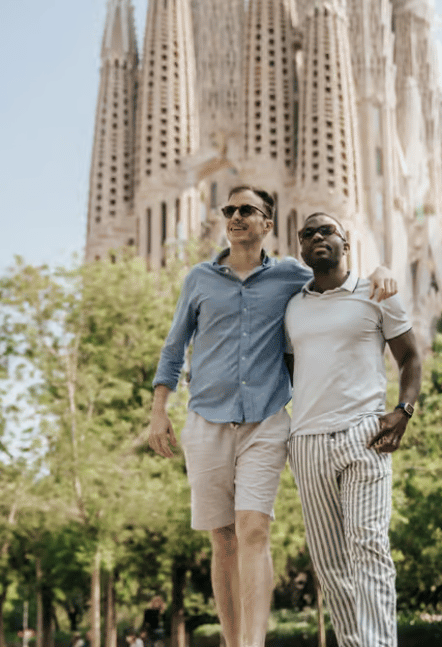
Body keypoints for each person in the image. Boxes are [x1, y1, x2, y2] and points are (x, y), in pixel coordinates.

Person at [149, 187, 396, 647]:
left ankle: (253, 643)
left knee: (254, 527)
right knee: (222, 538)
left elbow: (335, 278)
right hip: (206, 419)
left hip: (265, 420)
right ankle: (232, 638)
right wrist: (158, 410)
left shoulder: (289, 276)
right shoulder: (199, 278)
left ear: (267, 223)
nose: (236, 217)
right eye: (230, 210)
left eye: (247, 210)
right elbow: (174, 345)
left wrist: (379, 271)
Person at [283, 212, 422, 647]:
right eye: (308, 234)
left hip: (364, 436)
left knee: (368, 546)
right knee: (329, 565)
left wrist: (404, 410)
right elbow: (293, 370)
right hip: (306, 444)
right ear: (301, 248)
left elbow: (411, 359)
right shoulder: (292, 307)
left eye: (327, 231)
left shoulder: (377, 292)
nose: (317, 238)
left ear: (346, 242)